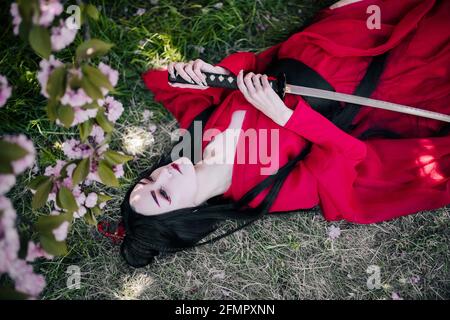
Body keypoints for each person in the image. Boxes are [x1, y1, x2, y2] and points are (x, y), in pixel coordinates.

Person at [120, 0, 450, 267]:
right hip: (360, 69)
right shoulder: (266, 193)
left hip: (314, 44)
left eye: (149, 180)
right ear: (190, 212)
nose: (163, 175)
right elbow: (348, 155)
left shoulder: (196, 140)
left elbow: (185, 85)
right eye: (164, 194)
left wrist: (213, 73)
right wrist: (286, 116)